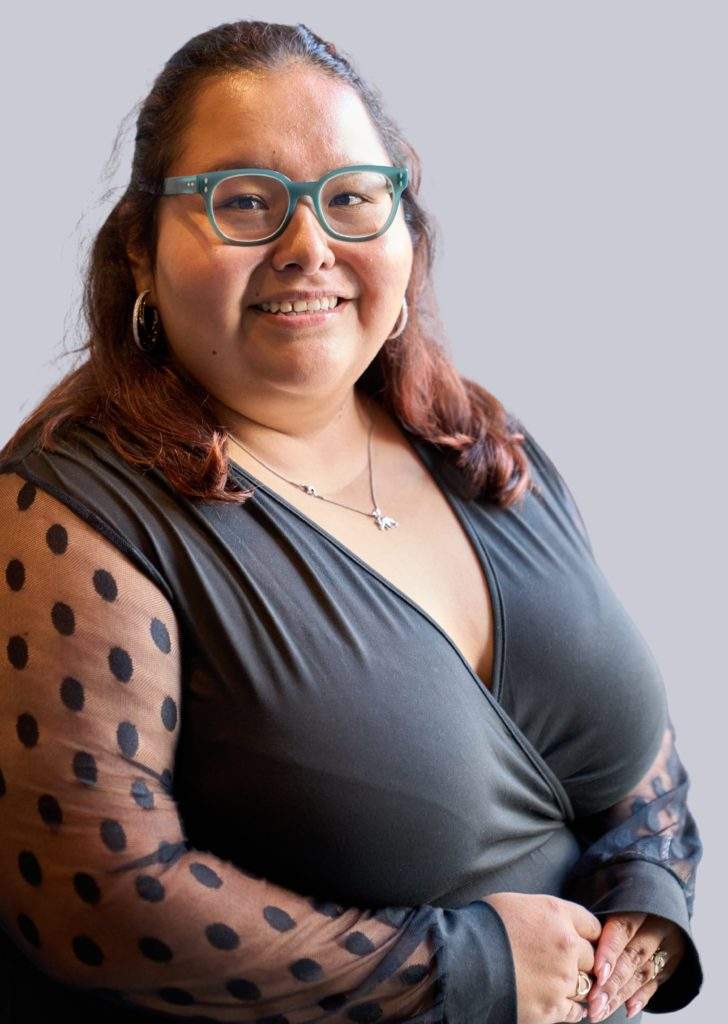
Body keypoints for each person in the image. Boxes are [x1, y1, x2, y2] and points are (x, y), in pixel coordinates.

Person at [0, 19, 703, 1024]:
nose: (308, 246)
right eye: (245, 201)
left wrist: (649, 887)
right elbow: (92, 896)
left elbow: (632, 741)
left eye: (351, 198)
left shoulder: (477, 443)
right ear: (140, 253)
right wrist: (466, 970)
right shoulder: (66, 513)